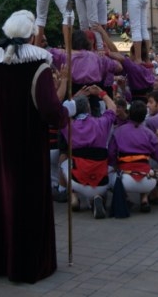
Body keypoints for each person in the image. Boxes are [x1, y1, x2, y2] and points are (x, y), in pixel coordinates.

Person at [0, 10, 67, 283]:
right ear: (31, 35)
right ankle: (26, 264)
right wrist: (66, 111)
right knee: (26, 203)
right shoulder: (38, 67)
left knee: (0, 200)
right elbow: (50, 110)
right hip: (27, 148)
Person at [59, 89, 117, 219]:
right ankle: (96, 196)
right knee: (111, 168)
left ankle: (73, 196)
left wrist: (74, 97)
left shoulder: (68, 126)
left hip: (78, 181)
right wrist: (102, 93)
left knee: (64, 162)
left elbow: (59, 111)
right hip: (102, 181)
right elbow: (113, 107)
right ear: (89, 108)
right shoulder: (102, 122)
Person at [108, 100, 158, 213]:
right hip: (149, 181)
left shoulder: (118, 131)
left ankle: (126, 198)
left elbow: (111, 154)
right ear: (144, 116)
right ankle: (144, 199)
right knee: (151, 169)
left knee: (108, 175)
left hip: (124, 180)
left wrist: (115, 165)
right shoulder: (149, 133)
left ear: (129, 113)